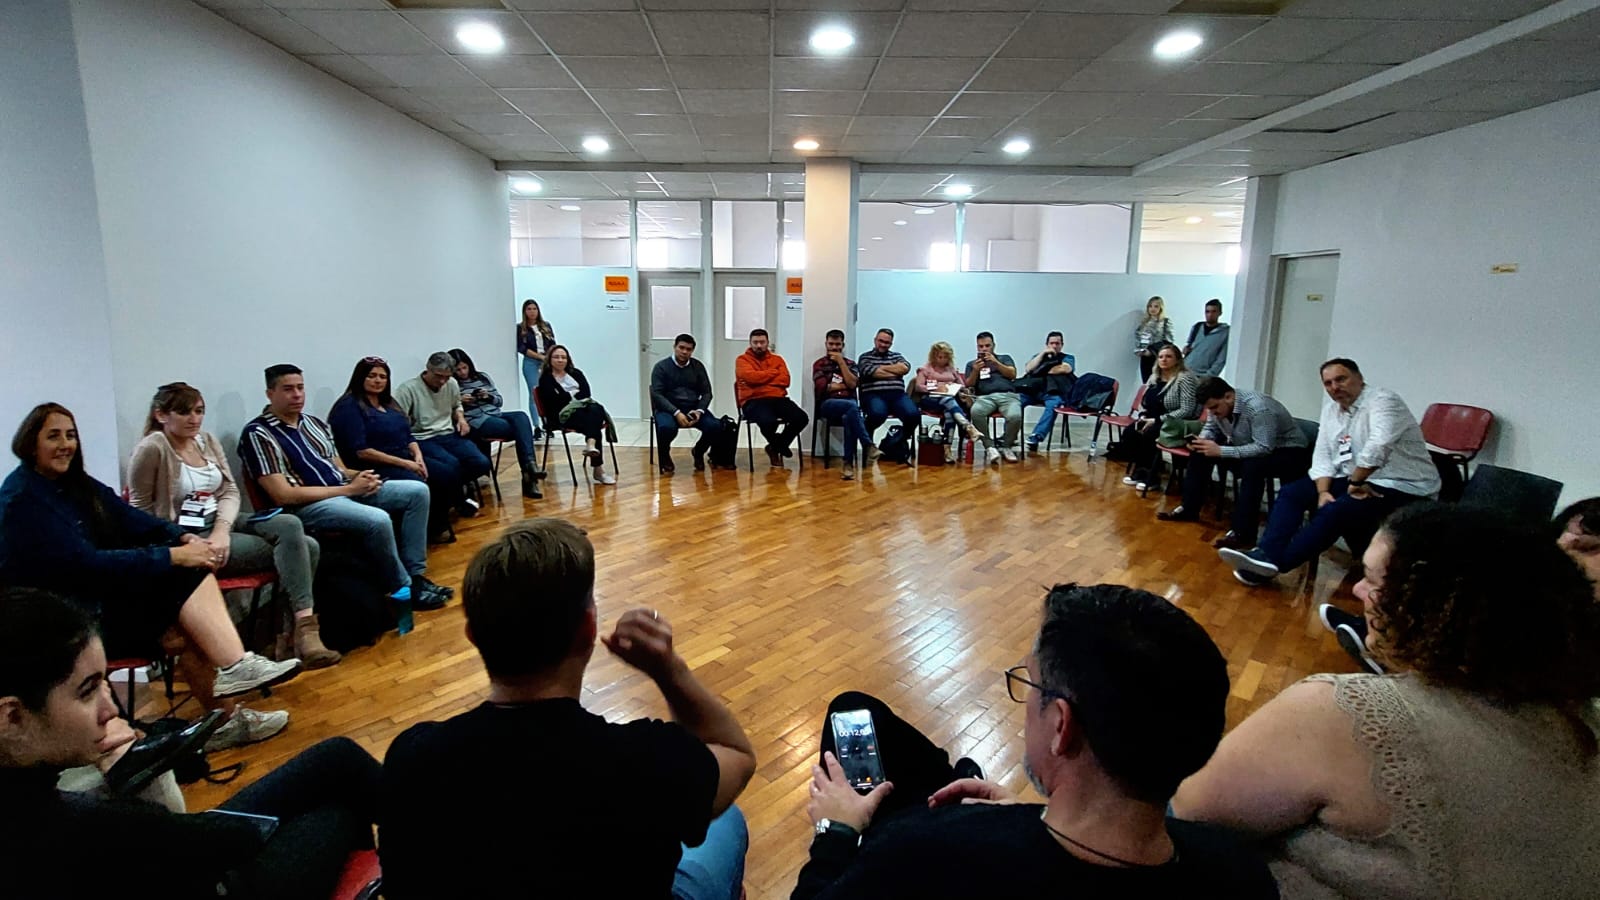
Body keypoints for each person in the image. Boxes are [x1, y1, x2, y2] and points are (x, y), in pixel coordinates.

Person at [1174, 504, 1600, 899]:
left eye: (1373, 580)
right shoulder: (1582, 719)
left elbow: (1184, 815)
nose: (1357, 590)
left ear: (1436, 605)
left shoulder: (1347, 713)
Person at [790, 583, 1277, 899]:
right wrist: (1024, 814)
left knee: (852, 716)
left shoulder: (917, 856)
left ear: (1062, 726)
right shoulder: (1241, 873)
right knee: (859, 709)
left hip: (941, 835)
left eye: (1030, 681)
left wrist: (836, 832)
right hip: (1009, 826)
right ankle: (961, 775)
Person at [379, 519, 758, 899]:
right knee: (727, 823)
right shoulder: (647, 761)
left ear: (473, 636)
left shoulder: (410, 757)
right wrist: (670, 671)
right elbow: (737, 755)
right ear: (589, 629)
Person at [0, 587, 381, 900]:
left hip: (186, 855)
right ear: (13, 717)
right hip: (218, 880)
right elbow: (228, 842)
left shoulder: (44, 799)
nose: (109, 709)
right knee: (340, 807)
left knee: (337, 759)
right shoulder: (69, 827)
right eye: (87, 691)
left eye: (104, 684)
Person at [0, 403, 301, 709]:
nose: (65, 444)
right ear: (30, 443)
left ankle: (231, 701)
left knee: (189, 607)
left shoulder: (75, 483)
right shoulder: (21, 500)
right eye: (53, 436)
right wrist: (172, 555)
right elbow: (87, 564)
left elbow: (131, 517)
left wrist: (182, 537)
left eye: (71, 435)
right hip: (66, 624)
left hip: (102, 599)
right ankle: (234, 675)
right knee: (185, 599)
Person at [129, 383, 341, 681]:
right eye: (184, 412)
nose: (194, 419)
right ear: (161, 415)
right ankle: (295, 636)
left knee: (290, 525)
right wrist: (183, 542)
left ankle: (298, 632)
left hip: (220, 521)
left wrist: (221, 530)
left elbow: (228, 490)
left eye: (199, 411)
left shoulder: (206, 441)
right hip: (187, 536)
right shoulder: (153, 448)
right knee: (307, 547)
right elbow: (138, 512)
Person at [239, 365, 451, 617]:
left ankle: (415, 574)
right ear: (270, 393)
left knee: (417, 492)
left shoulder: (313, 424)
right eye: (288, 389)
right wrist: (348, 489)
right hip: (306, 506)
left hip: (343, 490)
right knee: (378, 520)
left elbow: (339, 468)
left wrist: (360, 478)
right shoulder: (258, 433)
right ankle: (402, 588)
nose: (297, 395)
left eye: (300, 388)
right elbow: (282, 495)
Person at [1219, 359, 1440, 586]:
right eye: (1328, 383)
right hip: (1356, 478)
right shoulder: (1331, 411)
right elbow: (1323, 456)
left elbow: (1379, 446)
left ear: (1359, 378)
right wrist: (1323, 492)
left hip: (1402, 484)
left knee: (1337, 510)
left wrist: (1355, 482)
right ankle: (1266, 554)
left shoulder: (1384, 401)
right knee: (1292, 492)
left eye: (1341, 379)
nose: (1335, 387)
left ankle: (1275, 565)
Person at [1158, 378, 1310, 552]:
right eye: (1209, 409)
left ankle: (1242, 533)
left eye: (1214, 408)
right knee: (1200, 453)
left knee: (1253, 468)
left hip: (1288, 451)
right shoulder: (1217, 406)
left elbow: (1264, 447)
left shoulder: (1258, 408)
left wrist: (1221, 451)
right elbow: (1211, 428)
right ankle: (1189, 508)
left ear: (1228, 397)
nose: (1212, 413)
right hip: (1248, 444)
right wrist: (1202, 441)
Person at [327, 357, 460, 544]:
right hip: (373, 466)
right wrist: (406, 464)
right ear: (360, 377)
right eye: (372, 376)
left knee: (447, 474)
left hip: (404, 457)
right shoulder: (349, 406)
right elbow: (361, 451)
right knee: (420, 483)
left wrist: (418, 456)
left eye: (383, 377)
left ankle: (432, 527)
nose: (378, 381)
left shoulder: (389, 402)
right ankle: (409, 535)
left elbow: (408, 435)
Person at [393, 352, 492, 521]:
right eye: (438, 376)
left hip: (447, 433)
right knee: (451, 464)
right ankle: (458, 499)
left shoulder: (451, 384)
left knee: (481, 462)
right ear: (428, 369)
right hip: (422, 437)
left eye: (446, 377)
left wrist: (461, 419)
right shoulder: (408, 389)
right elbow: (398, 421)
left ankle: (451, 491)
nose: (442, 381)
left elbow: (456, 405)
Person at [449, 348, 544, 500]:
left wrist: (487, 396)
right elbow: (448, 407)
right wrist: (461, 400)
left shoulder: (482, 377)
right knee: (521, 431)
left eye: (464, 368)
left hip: (496, 414)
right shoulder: (451, 384)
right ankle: (529, 472)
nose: (462, 372)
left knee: (521, 416)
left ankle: (530, 467)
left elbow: (499, 401)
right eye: (458, 370)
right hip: (476, 420)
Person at [1116, 343, 1199, 491]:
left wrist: (1157, 420)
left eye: (1168, 356)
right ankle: (1140, 471)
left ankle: (1152, 478)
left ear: (1177, 359)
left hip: (1175, 422)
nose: (1164, 360)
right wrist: (1143, 415)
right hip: (1152, 418)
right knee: (1130, 433)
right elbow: (1145, 402)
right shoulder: (1154, 377)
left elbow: (1187, 409)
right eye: (1161, 357)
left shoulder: (1185, 378)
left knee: (1150, 433)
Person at [535, 344, 618, 485]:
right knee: (594, 421)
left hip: (583, 410)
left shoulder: (576, 373)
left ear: (568, 359)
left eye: (563, 357)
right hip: (561, 416)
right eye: (556, 357)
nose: (560, 360)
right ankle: (598, 468)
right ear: (549, 359)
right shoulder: (546, 379)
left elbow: (586, 393)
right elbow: (553, 402)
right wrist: (572, 395)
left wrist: (567, 396)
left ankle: (591, 446)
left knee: (596, 408)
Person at [650, 333, 725, 475]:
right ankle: (664, 455)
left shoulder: (697, 366)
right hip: (667, 409)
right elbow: (657, 395)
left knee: (715, 426)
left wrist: (699, 411)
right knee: (666, 428)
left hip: (693, 407)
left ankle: (699, 451)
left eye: (688, 349)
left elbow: (707, 393)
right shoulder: (661, 367)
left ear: (692, 350)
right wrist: (676, 412)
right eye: (681, 348)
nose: (684, 352)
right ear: (674, 347)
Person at [735, 328, 810, 470]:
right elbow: (750, 377)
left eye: (762, 342)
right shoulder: (742, 360)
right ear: (750, 343)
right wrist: (773, 373)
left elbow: (786, 380)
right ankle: (779, 446)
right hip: (753, 400)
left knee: (801, 418)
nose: (759, 345)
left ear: (767, 342)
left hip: (778, 399)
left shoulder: (777, 359)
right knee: (767, 421)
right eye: (755, 342)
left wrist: (761, 380)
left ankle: (776, 446)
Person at [812, 329, 878, 481]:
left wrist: (841, 363)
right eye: (831, 344)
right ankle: (867, 444)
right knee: (852, 408)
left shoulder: (850, 364)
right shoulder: (819, 364)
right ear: (826, 344)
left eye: (838, 344)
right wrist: (844, 385)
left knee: (850, 415)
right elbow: (823, 387)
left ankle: (848, 465)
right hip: (828, 404)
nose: (834, 348)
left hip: (849, 405)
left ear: (843, 345)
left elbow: (853, 384)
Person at [910, 341, 981, 464]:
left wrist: (954, 387)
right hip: (930, 399)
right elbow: (918, 386)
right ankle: (968, 427)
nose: (942, 360)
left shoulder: (951, 369)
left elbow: (962, 385)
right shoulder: (926, 369)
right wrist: (936, 388)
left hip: (948, 399)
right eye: (940, 357)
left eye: (945, 357)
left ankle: (947, 449)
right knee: (948, 401)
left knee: (950, 414)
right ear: (934, 356)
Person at [964, 332, 1023, 465]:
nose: (984, 349)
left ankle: (1006, 446)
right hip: (985, 397)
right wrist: (975, 371)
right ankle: (989, 447)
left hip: (1008, 396)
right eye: (981, 346)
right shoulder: (972, 364)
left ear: (993, 346)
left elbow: (1012, 374)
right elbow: (969, 384)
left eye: (987, 346)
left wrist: (996, 363)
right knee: (975, 411)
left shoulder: (1004, 358)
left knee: (1015, 416)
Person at [856, 328, 919, 445]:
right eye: (881, 341)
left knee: (913, 415)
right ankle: (869, 445)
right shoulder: (865, 357)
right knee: (878, 414)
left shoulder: (896, 356)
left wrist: (880, 367)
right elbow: (871, 372)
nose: (883, 345)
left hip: (898, 395)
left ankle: (895, 443)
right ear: (875, 340)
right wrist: (895, 373)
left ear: (891, 344)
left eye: (887, 342)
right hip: (873, 395)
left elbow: (905, 368)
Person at [1018, 331, 1077, 453]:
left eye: (1057, 343)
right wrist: (1042, 355)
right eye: (1051, 343)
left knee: (1054, 404)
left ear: (1062, 345)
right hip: (1033, 391)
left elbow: (1065, 369)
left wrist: (1041, 369)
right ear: (1047, 344)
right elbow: (1028, 368)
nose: (1054, 346)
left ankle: (1036, 436)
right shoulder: (1038, 356)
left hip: (1052, 392)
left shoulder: (1068, 357)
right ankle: (1009, 436)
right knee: (1015, 402)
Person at [517, 298, 555, 438]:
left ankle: (548, 424)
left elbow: (552, 343)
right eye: (529, 309)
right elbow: (522, 348)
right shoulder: (521, 328)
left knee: (548, 393)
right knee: (534, 393)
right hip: (531, 362)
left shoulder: (546, 326)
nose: (532, 312)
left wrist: (548, 358)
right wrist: (539, 357)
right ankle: (536, 426)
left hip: (546, 362)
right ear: (524, 312)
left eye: (534, 309)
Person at [1181, 299, 1229, 378]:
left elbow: (1221, 358)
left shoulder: (1225, 332)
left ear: (1220, 313)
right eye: (1207, 311)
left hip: (1202, 375)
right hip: (1185, 371)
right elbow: (1190, 346)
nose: (1210, 315)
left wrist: (1209, 375)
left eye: (1214, 311)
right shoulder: (1197, 327)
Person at [1135, 297, 1174, 383]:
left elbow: (1168, 343)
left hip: (1158, 356)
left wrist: (1152, 350)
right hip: (1145, 357)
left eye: (1156, 306)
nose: (1152, 309)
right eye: (1150, 306)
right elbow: (1139, 338)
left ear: (1161, 308)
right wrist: (1140, 350)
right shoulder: (1144, 323)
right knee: (1146, 382)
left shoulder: (1165, 322)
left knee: (1158, 382)